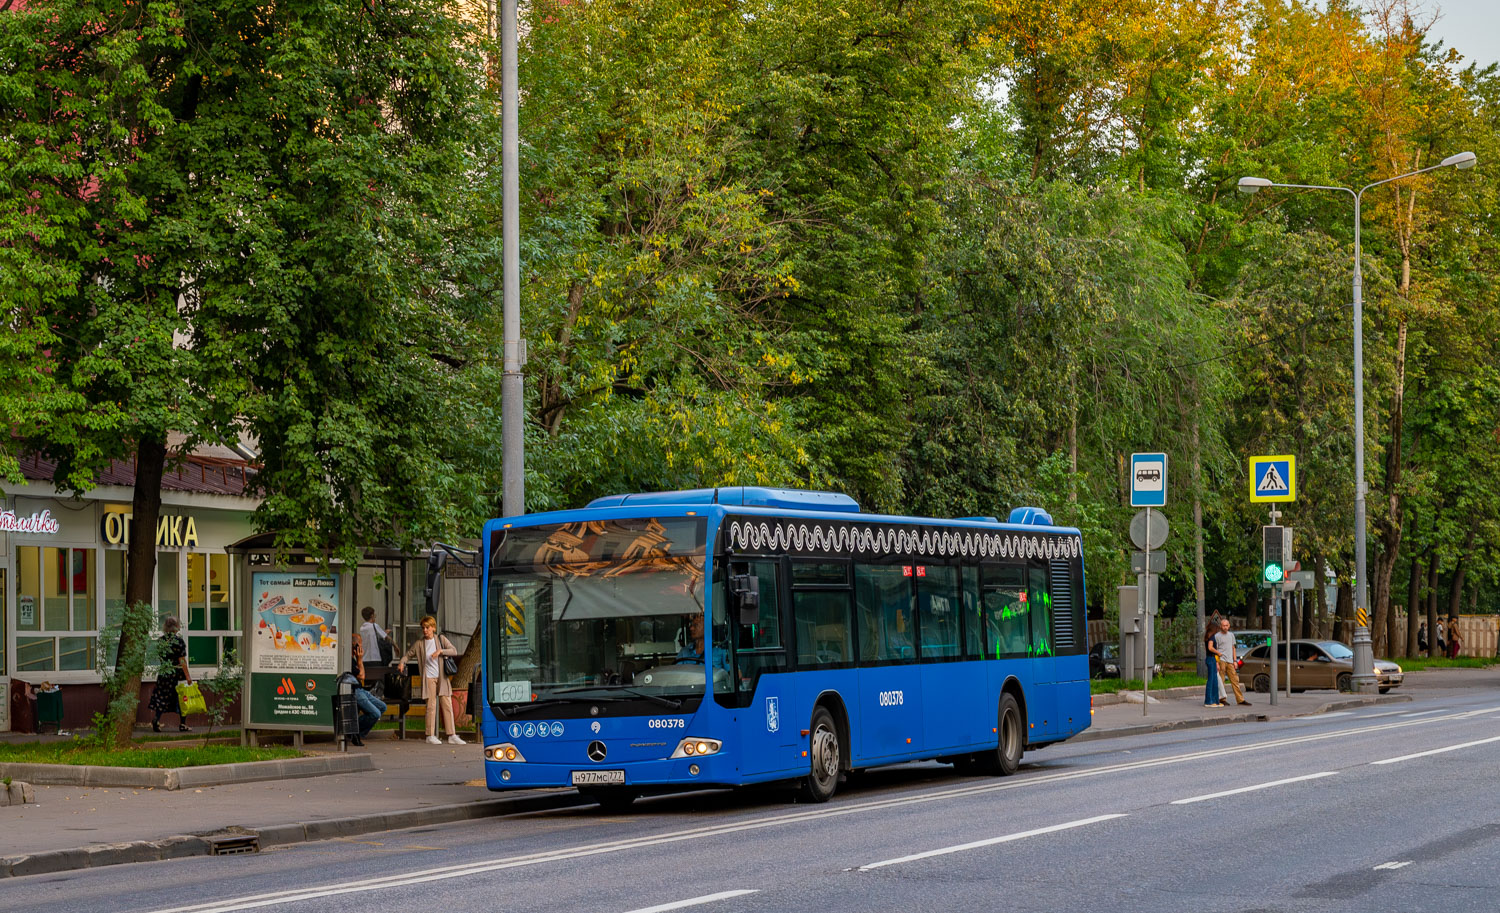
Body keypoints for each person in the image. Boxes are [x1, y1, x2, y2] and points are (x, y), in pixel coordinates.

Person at [392, 615, 464, 745]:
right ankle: (430, 735)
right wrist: (402, 663)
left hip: (442, 677)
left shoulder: (440, 639)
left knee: (447, 705)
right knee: (431, 706)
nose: (425, 630)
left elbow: (453, 651)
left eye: (427, 627)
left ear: (433, 628)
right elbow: (408, 655)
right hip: (429, 678)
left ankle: (452, 735)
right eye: (423, 628)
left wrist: (440, 651)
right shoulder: (419, 644)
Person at [148, 616, 192, 732]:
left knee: (162, 697)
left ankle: (156, 719)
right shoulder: (179, 641)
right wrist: (188, 676)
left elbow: (161, 657)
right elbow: (182, 660)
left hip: (164, 673)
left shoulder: (161, 641)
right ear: (176, 627)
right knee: (182, 698)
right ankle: (182, 724)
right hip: (177, 674)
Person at [349, 637, 387, 747]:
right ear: (355, 646)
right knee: (376, 713)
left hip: (361, 690)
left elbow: (361, 676)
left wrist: (359, 659)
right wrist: (360, 660)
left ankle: (355, 730)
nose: (362, 647)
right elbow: (362, 676)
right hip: (355, 691)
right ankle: (355, 731)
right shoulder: (350, 660)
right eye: (360, 644)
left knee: (382, 707)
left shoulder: (354, 658)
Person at [1214, 617, 1251, 706]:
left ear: (1229, 626)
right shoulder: (1217, 636)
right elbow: (1215, 650)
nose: (1225, 627)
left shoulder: (1231, 635)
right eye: (1223, 626)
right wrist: (1216, 662)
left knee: (1235, 680)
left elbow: (1233, 648)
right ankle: (1221, 699)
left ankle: (1240, 699)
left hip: (1230, 661)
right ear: (1220, 626)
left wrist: (1235, 661)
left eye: (1227, 625)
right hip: (1221, 660)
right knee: (1221, 681)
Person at [1203, 619, 1226, 707]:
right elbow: (1210, 648)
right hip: (1211, 659)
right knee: (1211, 680)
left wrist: (1216, 662)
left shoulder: (1208, 636)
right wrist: (1218, 652)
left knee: (1215, 681)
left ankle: (1215, 701)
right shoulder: (1211, 637)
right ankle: (1209, 701)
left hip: (1212, 659)